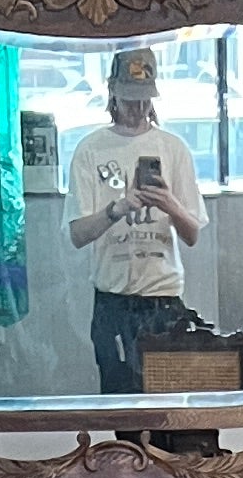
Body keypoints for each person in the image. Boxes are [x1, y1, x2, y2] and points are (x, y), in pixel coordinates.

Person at [66, 47, 204, 394]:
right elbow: (77, 234)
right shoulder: (90, 149)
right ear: (112, 90)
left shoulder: (173, 149)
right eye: (129, 98)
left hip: (164, 300)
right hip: (113, 300)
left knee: (169, 412)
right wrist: (117, 209)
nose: (136, 107)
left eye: (143, 99)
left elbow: (192, 234)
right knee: (120, 410)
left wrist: (170, 203)